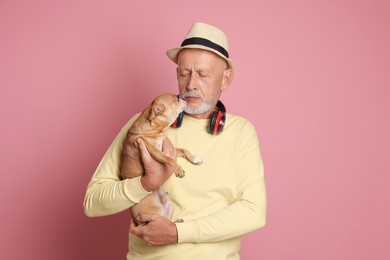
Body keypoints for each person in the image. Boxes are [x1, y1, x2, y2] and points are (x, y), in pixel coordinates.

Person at [83, 22, 266, 260]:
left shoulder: (241, 132)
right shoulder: (139, 127)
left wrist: (177, 233)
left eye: (202, 74)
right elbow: (92, 203)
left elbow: (253, 213)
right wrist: (145, 183)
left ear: (225, 79)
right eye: (183, 73)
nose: (190, 84)